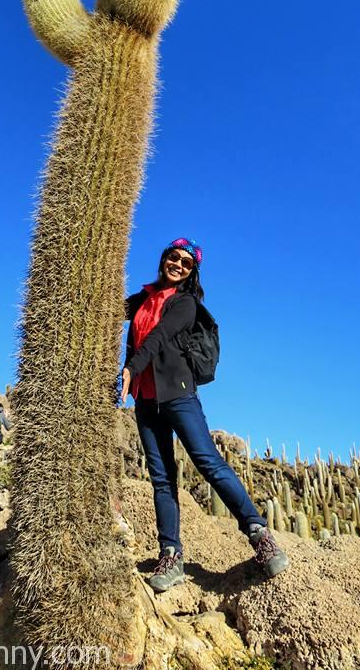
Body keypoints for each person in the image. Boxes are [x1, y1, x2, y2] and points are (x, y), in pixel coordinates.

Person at [121, 238, 290, 591]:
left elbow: (157, 337)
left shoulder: (186, 303)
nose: (178, 264)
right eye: (173, 257)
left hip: (179, 396)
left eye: (186, 263)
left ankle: (258, 534)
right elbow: (112, 319)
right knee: (161, 478)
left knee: (209, 464)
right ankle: (171, 555)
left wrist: (130, 369)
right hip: (146, 401)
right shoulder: (143, 298)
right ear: (163, 258)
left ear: (191, 272)